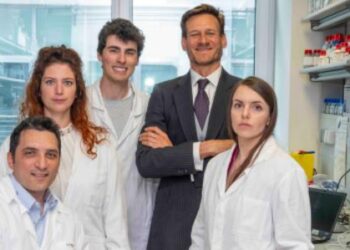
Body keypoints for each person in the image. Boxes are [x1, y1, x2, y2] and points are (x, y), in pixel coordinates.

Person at [0, 45, 130, 249]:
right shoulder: (14, 144)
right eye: (50, 82)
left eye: (67, 82)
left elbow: (116, 222)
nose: (59, 91)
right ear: (38, 88)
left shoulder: (101, 144)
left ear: (78, 90)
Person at [136, 4, 240, 250]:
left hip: (228, 220)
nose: (202, 40)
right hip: (174, 224)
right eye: (194, 34)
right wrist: (208, 148)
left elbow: (251, 154)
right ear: (184, 42)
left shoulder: (242, 92)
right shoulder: (163, 93)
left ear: (223, 39)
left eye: (210, 33)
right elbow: (147, 162)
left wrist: (176, 153)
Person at [190, 76, 313, 250]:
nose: (245, 114)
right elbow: (200, 235)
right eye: (238, 105)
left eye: (257, 107)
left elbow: (296, 246)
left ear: (270, 117)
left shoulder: (286, 173)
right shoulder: (215, 166)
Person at [87, 18, 158, 250]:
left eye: (130, 52)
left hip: (137, 221)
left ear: (137, 59)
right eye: (114, 50)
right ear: (100, 55)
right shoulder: (80, 104)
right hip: (90, 222)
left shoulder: (151, 106)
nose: (121, 59)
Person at [0, 116, 88, 250]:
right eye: (30, 153)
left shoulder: (70, 221)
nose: (42, 164)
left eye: (51, 155)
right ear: (11, 160)